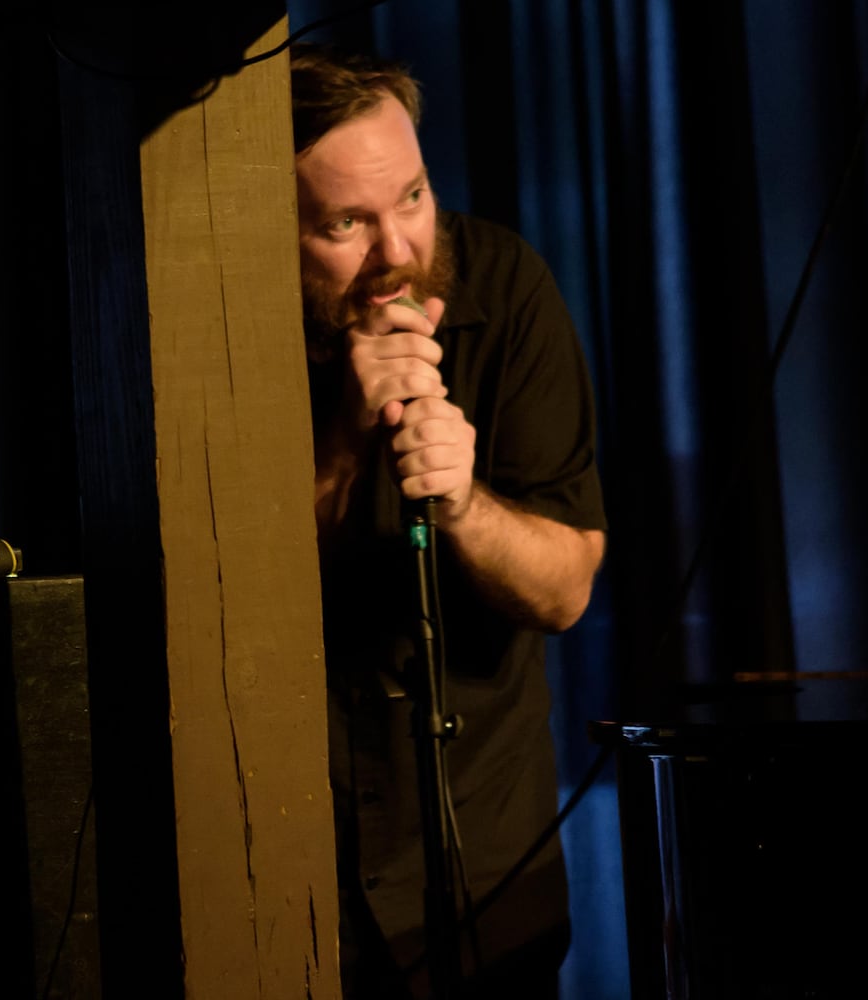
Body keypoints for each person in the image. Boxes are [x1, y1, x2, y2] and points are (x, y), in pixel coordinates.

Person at [291, 44, 609, 999]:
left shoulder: (505, 287)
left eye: (414, 199)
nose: (397, 254)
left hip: (484, 875)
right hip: (299, 871)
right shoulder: (224, 330)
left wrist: (465, 504)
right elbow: (209, 616)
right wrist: (343, 448)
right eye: (347, 223)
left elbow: (564, 591)